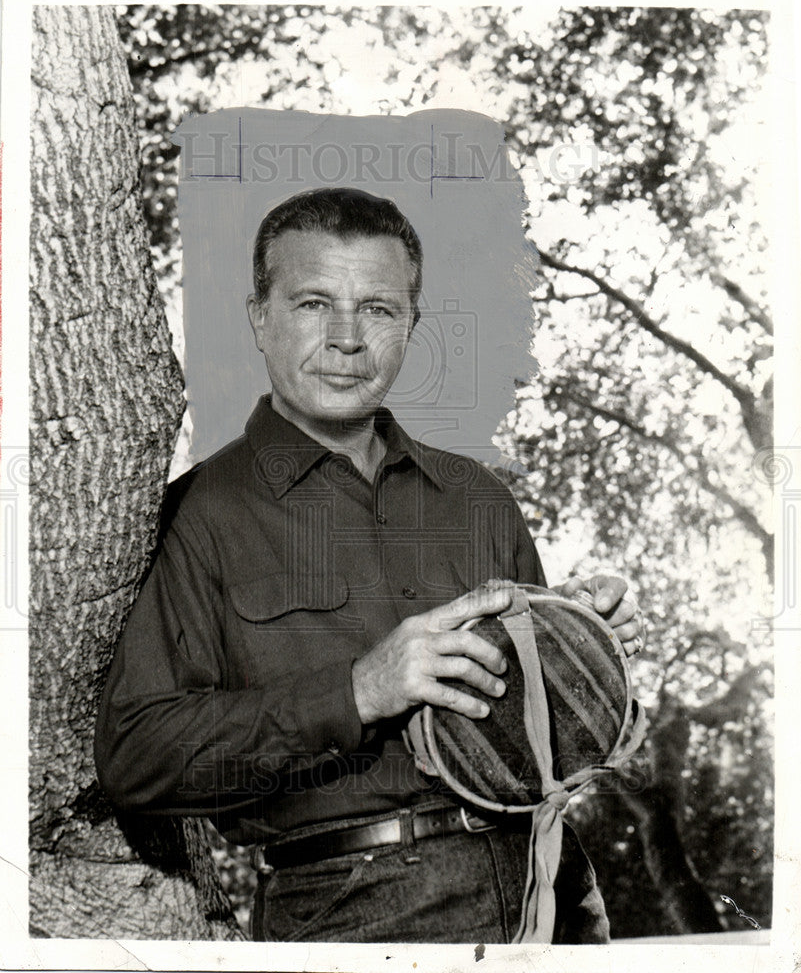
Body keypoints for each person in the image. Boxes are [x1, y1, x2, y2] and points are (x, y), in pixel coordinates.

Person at [95, 187, 644, 944]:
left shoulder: (477, 496)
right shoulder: (196, 515)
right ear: (260, 317)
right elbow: (136, 757)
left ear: (411, 324)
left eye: (378, 309)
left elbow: (538, 735)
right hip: (351, 908)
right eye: (313, 303)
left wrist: (579, 638)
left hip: (552, 885)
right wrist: (357, 691)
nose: (347, 339)